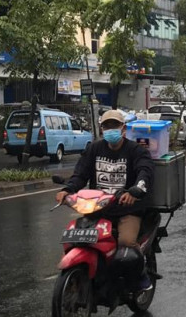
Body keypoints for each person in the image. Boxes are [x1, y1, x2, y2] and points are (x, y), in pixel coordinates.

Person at [56, 109, 154, 290]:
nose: (110, 129)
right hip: (97, 209)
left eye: (114, 126)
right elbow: (80, 174)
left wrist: (135, 191)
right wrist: (67, 190)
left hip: (126, 209)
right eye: (106, 126)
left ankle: (141, 276)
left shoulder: (136, 150)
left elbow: (145, 172)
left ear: (123, 128)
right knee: (79, 238)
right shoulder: (94, 148)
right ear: (102, 129)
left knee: (126, 244)